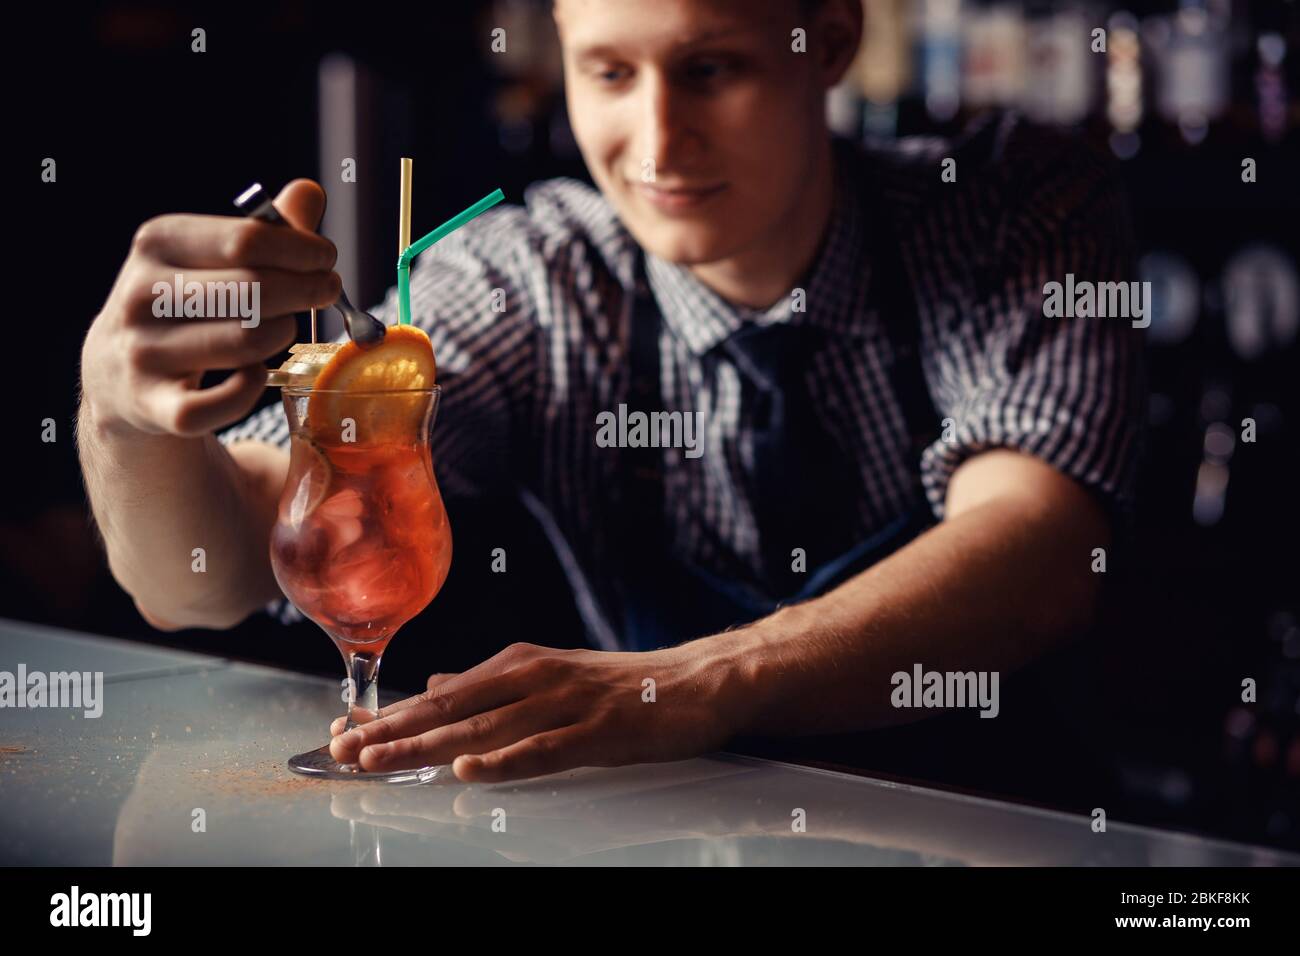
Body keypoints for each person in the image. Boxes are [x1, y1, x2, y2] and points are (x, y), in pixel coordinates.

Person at [77, 0, 1142, 784]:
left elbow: (1039, 551)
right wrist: (126, 418)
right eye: (609, 74)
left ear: (831, 38)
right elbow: (205, 577)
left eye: (711, 68)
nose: (659, 143)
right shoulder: (533, 280)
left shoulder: (1008, 206)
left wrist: (688, 680)